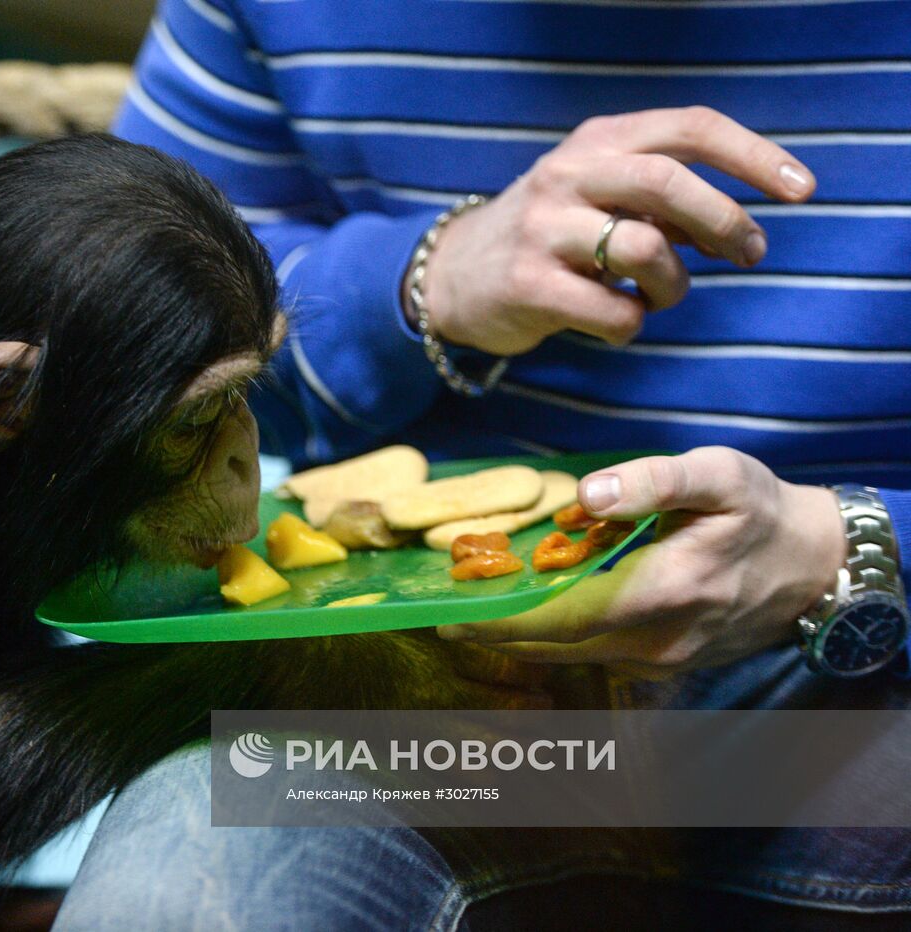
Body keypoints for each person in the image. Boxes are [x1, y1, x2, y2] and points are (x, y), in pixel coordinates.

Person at [49, 0, 911, 928]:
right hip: (396, 690)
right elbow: (111, 381)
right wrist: (420, 287)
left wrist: (853, 544)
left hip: (858, 682)